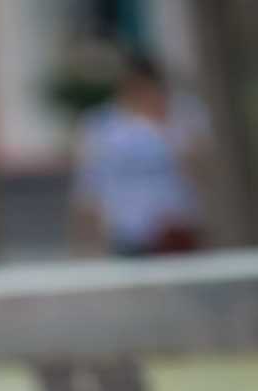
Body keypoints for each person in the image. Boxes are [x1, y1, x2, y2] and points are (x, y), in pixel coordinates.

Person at [71, 48, 207, 259]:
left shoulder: (184, 113)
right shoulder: (103, 125)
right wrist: (86, 239)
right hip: (128, 229)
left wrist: (163, 124)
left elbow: (201, 167)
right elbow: (90, 185)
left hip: (179, 225)